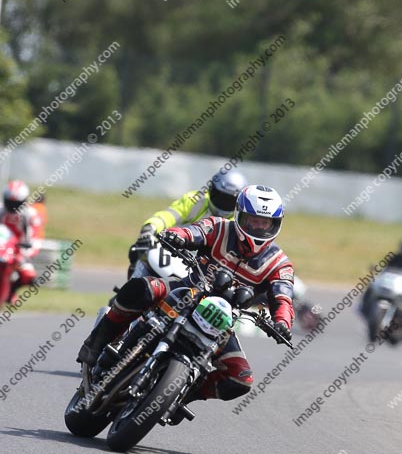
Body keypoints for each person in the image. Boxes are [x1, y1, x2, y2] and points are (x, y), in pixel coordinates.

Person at [77, 185, 294, 402]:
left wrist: (282, 323)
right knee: (141, 288)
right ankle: (95, 344)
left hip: (222, 321)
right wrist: (177, 236)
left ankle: (181, 394)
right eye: (252, 220)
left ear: (275, 224)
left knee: (240, 379)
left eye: (264, 223)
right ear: (239, 215)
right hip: (188, 291)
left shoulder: (279, 263)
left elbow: (283, 297)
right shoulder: (218, 226)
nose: (258, 227)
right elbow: (194, 231)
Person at [128, 167, 248, 275]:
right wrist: (150, 228)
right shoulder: (195, 200)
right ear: (211, 190)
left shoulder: (237, 223)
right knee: (137, 251)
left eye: (229, 201)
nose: (223, 203)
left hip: (200, 271)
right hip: (169, 251)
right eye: (220, 197)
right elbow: (168, 215)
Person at [0, 180, 43, 301]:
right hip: (1, 247)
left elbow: (36, 238)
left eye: (16, 203)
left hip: (19, 250)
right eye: (10, 203)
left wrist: (28, 249)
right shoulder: (1, 210)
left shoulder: (31, 215)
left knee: (30, 277)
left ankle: (11, 291)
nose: (13, 207)